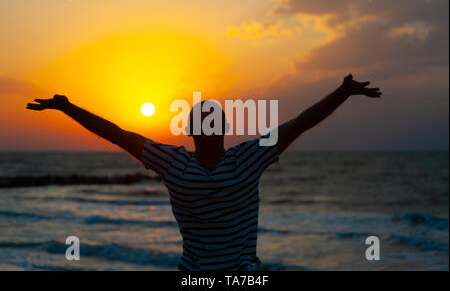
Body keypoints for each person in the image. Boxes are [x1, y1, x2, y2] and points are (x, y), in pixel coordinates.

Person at [26, 74, 381, 270]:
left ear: (192, 131)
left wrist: (67, 108)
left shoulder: (174, 164)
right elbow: (300, 123)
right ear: (224, 128)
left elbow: (117, 134)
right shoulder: (247, 159)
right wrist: (343, 92)